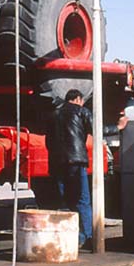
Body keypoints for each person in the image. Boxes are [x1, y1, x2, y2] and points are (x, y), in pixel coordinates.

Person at [53, 89, 94, 249]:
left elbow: (49, 140)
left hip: (58, 162)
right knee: (83, 200)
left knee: (67, 200)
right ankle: (88, 237)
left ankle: (71, 239)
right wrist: (118, 127)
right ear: (78, 99)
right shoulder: (82, 111)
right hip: (77, 161)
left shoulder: (54, 114)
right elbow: (97, 130)